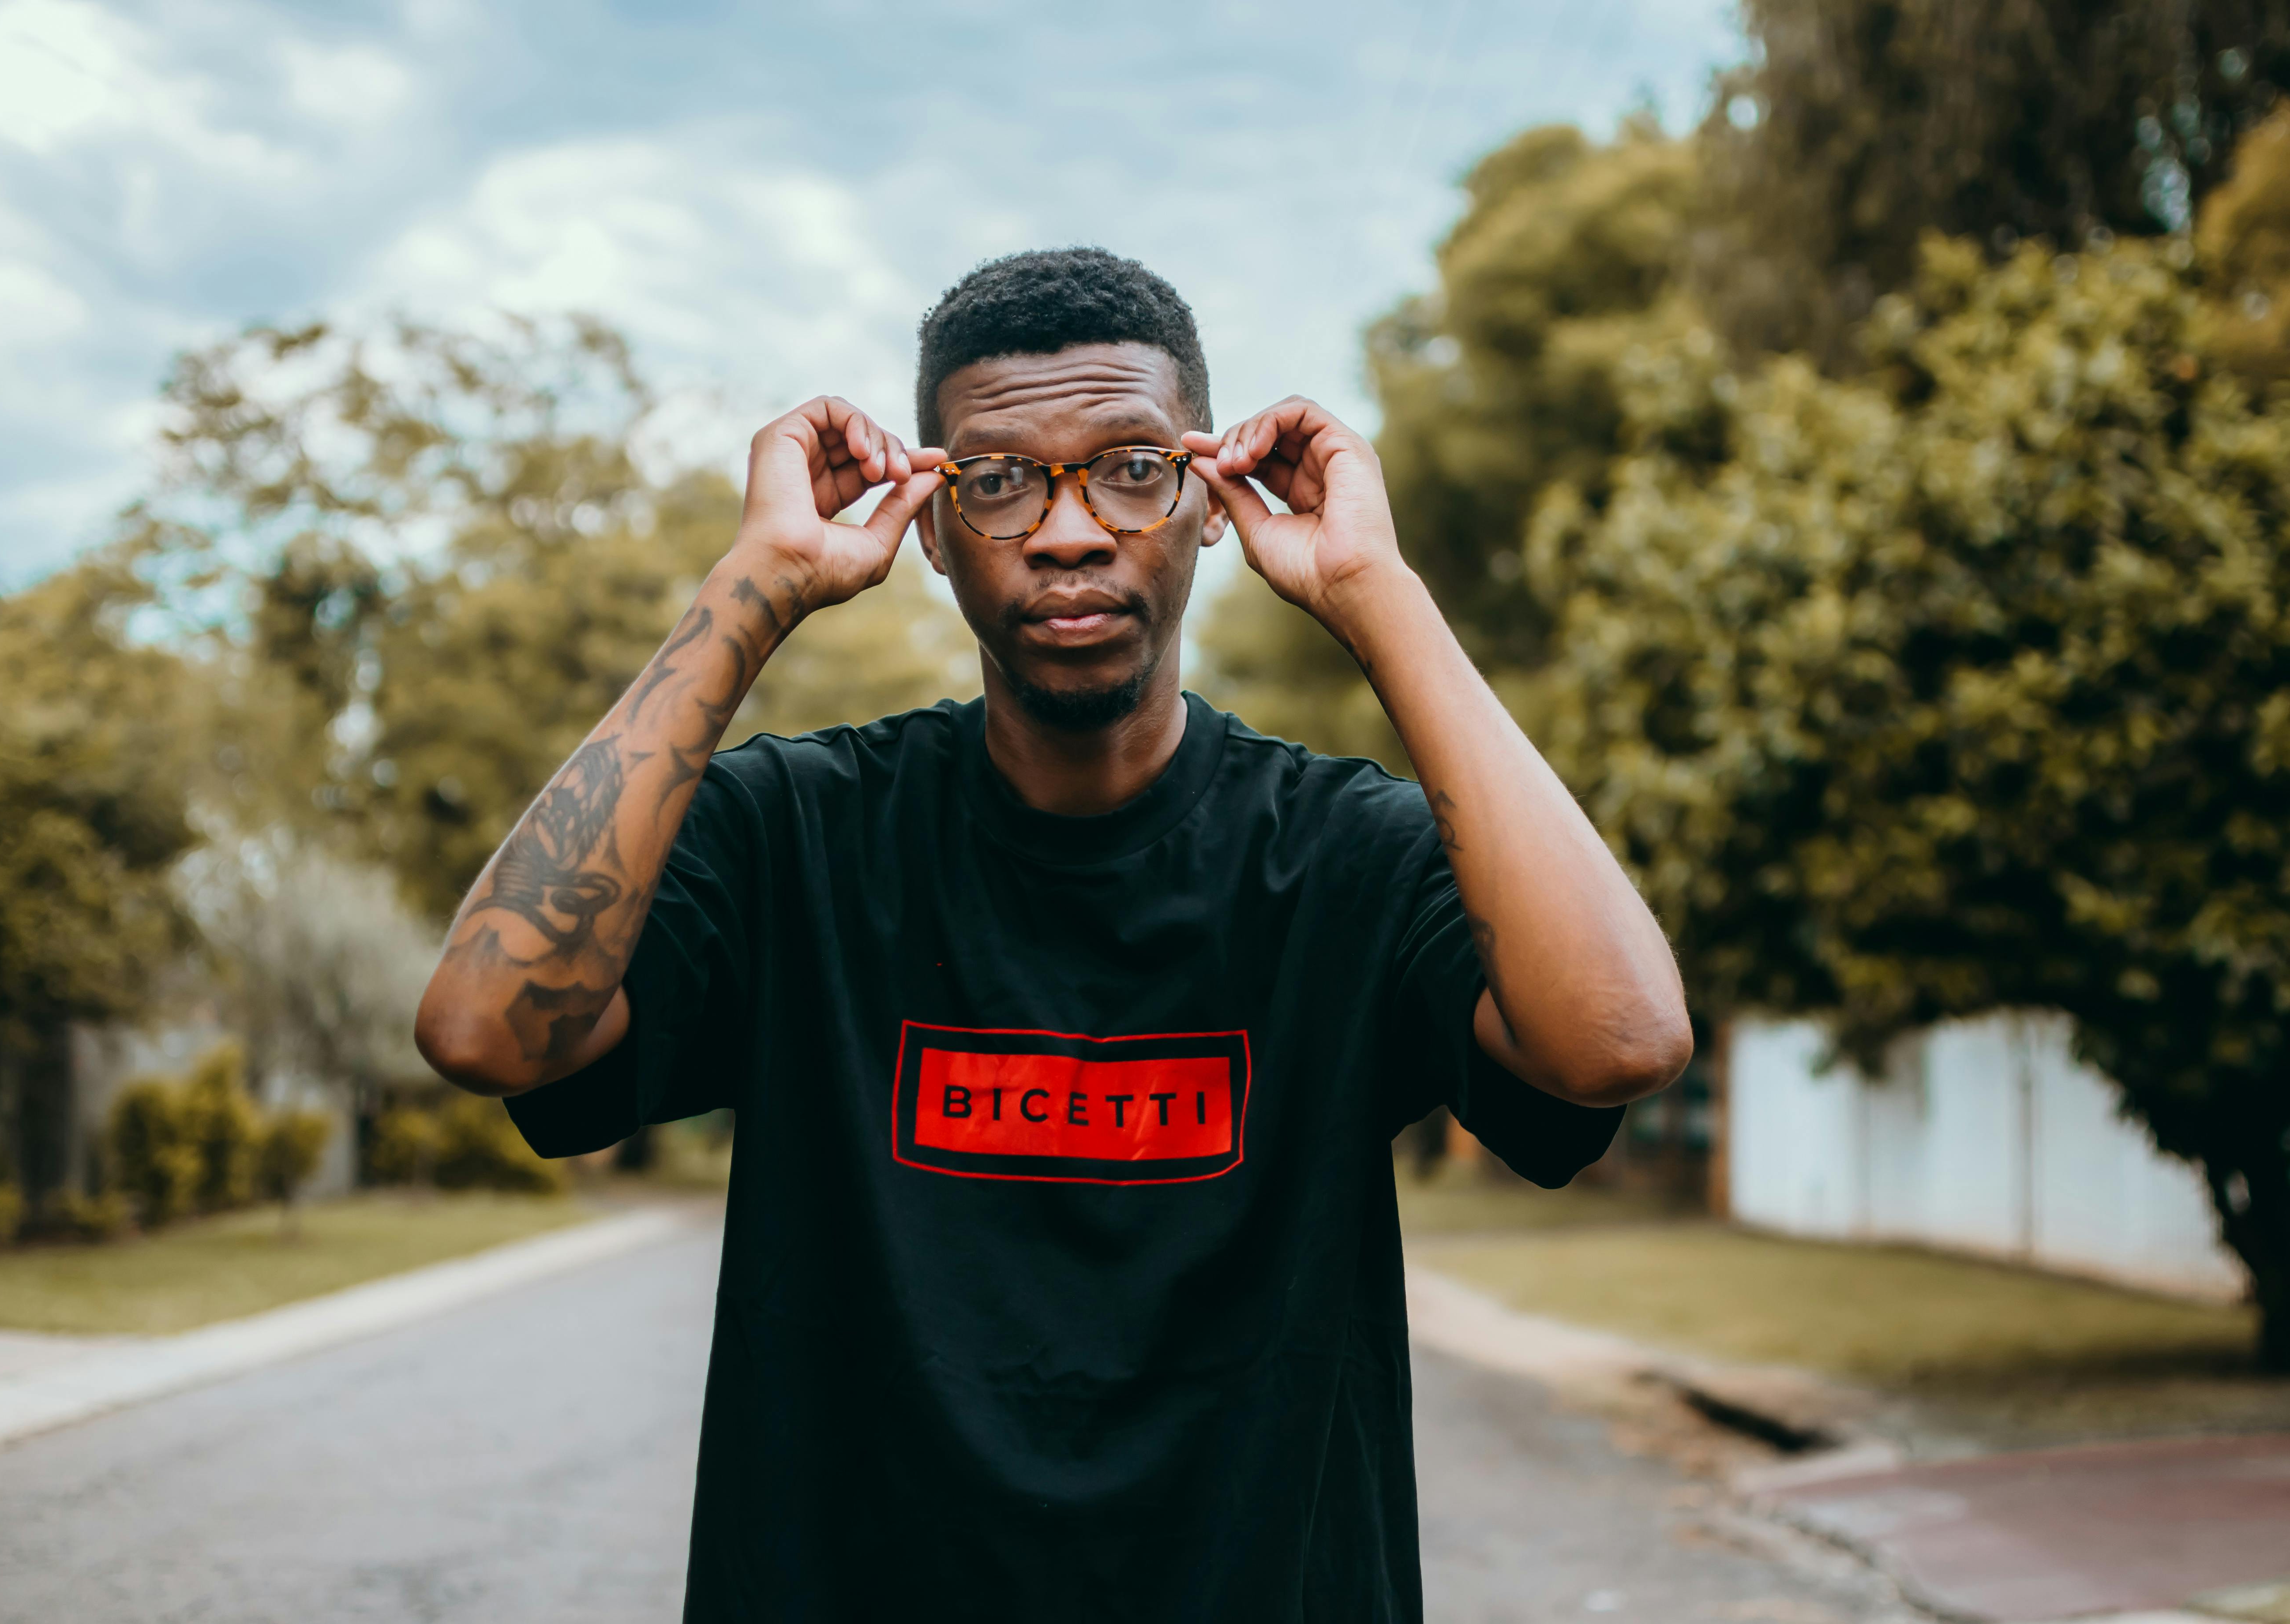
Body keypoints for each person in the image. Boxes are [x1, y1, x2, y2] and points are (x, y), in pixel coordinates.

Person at [414, 248, 1690, 1621]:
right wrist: (757, 582)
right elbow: (486, 1027)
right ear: (931, 523)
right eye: (1001, 480)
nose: (1070, 529)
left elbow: (1613, 1042)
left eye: (1133, 465)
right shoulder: (793, 833)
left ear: (1209, 501)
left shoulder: (1345, 856)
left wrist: (1376, 593)